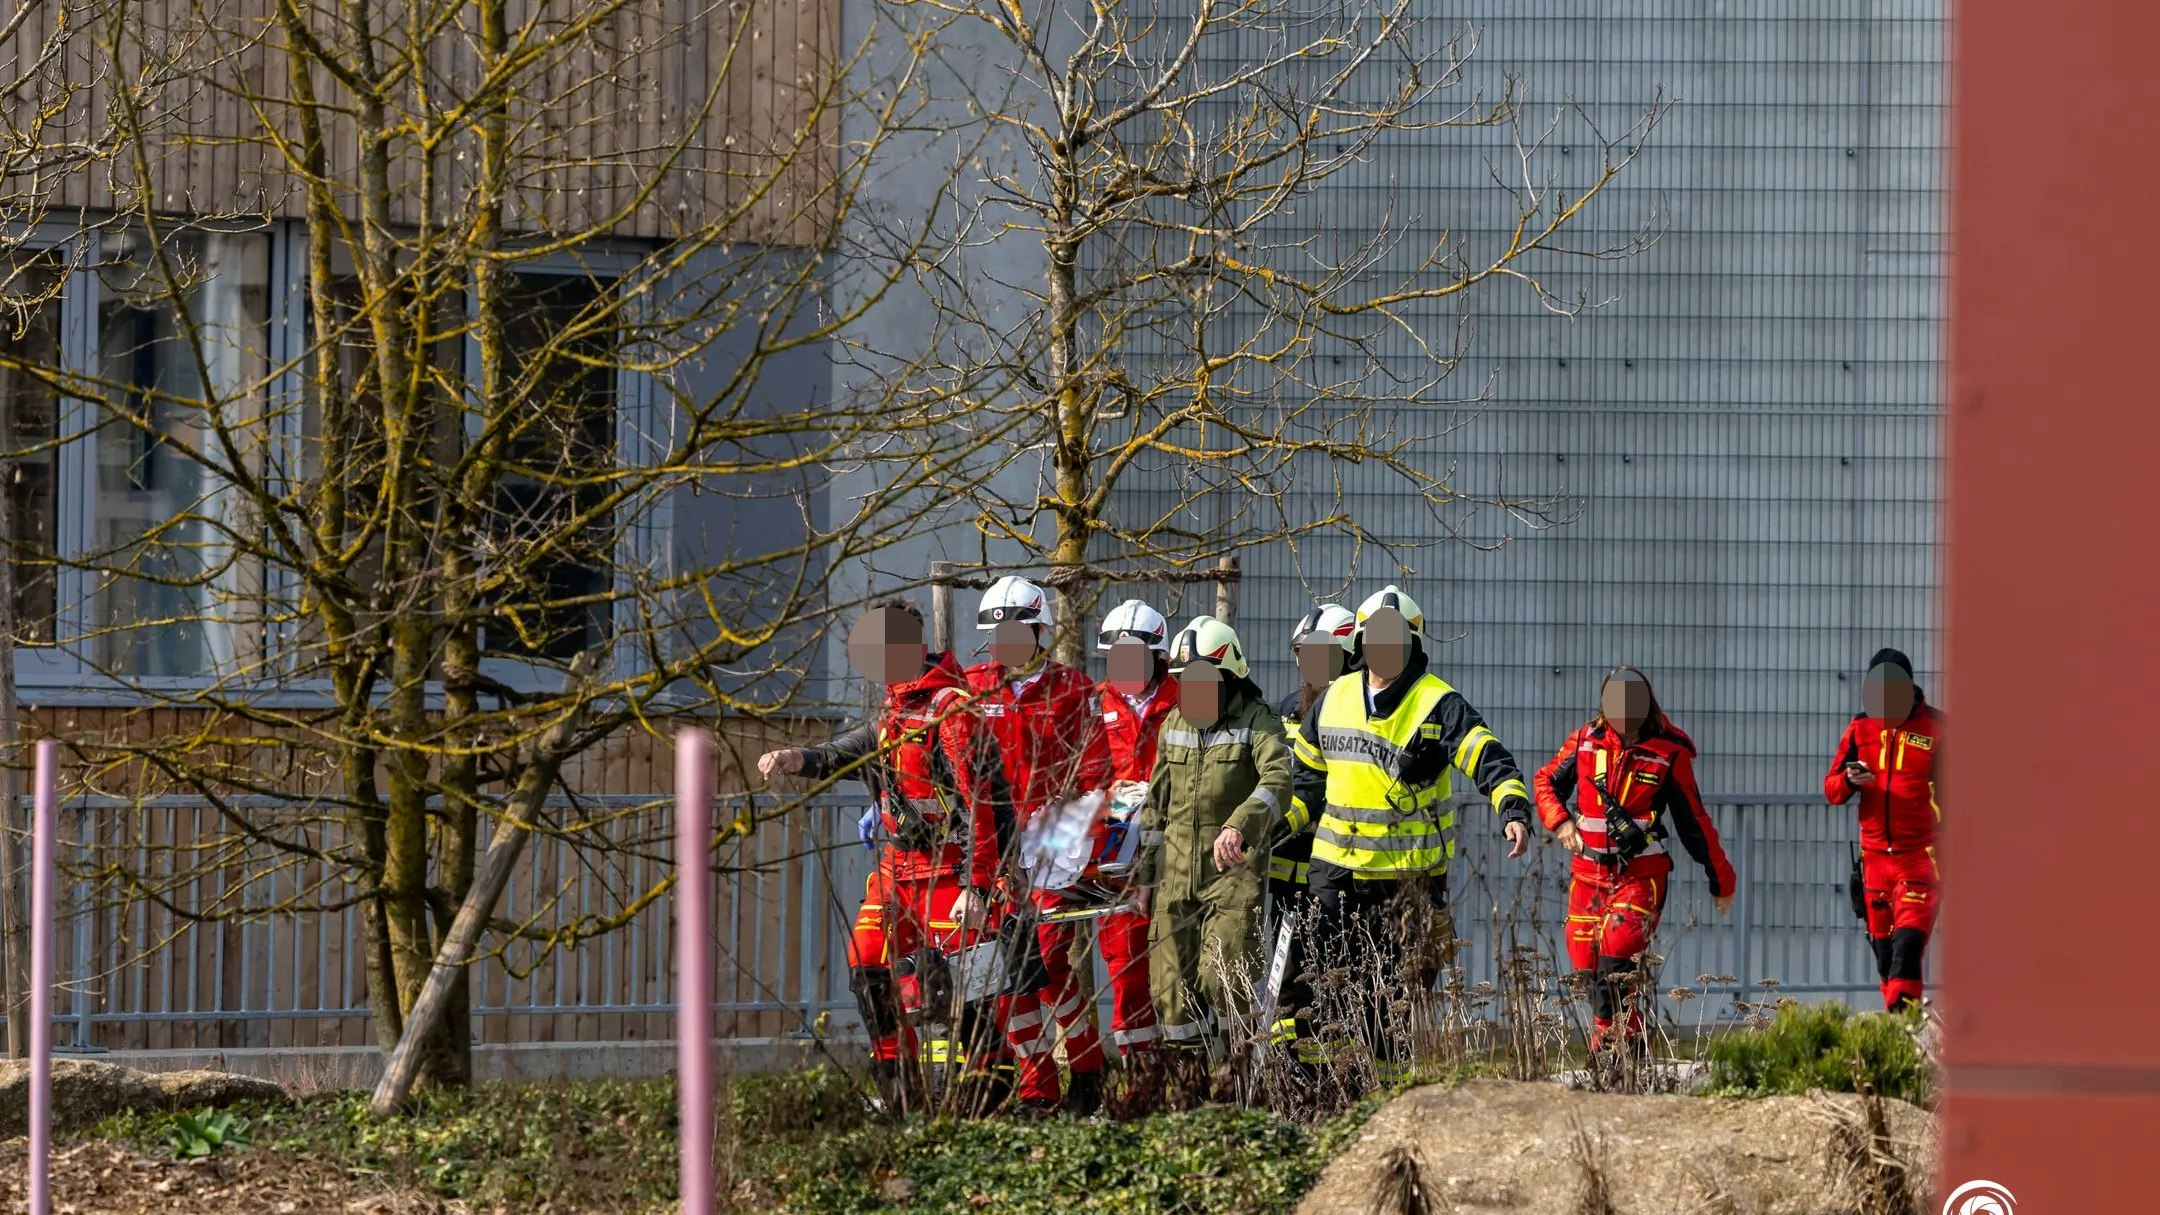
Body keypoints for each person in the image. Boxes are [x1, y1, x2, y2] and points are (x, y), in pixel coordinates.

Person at [754, 600, 1042, 1114]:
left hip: (952, 868)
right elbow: (851, 750)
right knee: (867, 962)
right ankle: (899, 1089)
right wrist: (798, 758)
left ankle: (989, 1092)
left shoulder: (952, 710)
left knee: (961, 987)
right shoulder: (894, 707)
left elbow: (983, 804)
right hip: (900, 867)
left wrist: (978, 887)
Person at [1289, 584, 1534, 1082]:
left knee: (1391, 1005)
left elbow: (1488, 757)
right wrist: (1273, 827)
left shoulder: (1438, 703)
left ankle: (1382, 1097)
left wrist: (1512, 809)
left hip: (1407, 883)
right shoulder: (1334, 697)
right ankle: (1315, 1094)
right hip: (1334, 876)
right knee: (1321, 989)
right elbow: (1305, 781)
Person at [963, 574, 1115, 1114]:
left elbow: (1096, 776)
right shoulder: (971, 689)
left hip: (1052, 845)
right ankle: (1038, 1091)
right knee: (1005, 977)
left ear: (1039, 633)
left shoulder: (1073, 690)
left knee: (1044, 966)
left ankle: (1087, 1069)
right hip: (992, 846)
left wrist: (1068, 849)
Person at [1534, 666, 1736, 1057]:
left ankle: (1612, 1048)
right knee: (1585, 963)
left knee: (1615, 957)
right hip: (1587, 874)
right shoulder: (1584, 742)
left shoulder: (1669, 752)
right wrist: (1560, 821)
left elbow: (1694, 822)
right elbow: (1545, 782)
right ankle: (1628, 1040)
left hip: (1641, 875)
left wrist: (1721, 879)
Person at [1135, 615, 1293, 1079]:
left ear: (1229, 677)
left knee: (1223, 980)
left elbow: (1278, 780)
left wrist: (1241, 825)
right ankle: (1189, 1094)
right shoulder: (1174, 723)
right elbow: (1156, 805)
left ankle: (1235, 1084)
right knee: (1171, 993)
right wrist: (1145, 878)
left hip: (1232, 878)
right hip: (1174, 879)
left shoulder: (1258, 721)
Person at [1824, 647, 1944, 1012]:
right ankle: (1903, 1026)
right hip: (1874, 861)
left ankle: (1903, 1020)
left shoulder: (1939, 728)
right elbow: (1831, 789)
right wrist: (1850, 779)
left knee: (1907, 949)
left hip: (1920, 859)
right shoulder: (1860, 727)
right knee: (1886, 958)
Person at [1264, 602, 1358, 1060]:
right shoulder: (1287, 711)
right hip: (1288, 875)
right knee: (1288, 979)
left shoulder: (1362, 713)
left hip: (1343, 875)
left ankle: (1337, 1073)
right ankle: (1290, 1069)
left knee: (1339, 976)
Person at [1089, 600, 1174, 1076]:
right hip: (1117, 858)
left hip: (1179, 852)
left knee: (1182, 971)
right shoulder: (1093, 705)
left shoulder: (1186, 700)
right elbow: (1077, 774)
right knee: (1126, 972)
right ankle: (1143, 1081)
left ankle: (1198, 1080)